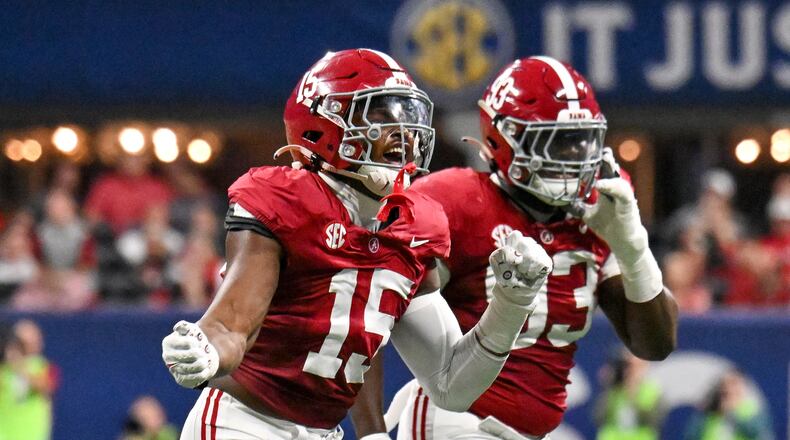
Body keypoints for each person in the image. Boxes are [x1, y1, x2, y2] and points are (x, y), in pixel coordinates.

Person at [161, 49, 553, 440]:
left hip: (325, 431)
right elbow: (234, 323)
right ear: (321, 125)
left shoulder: (416, 224)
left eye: (406, 115)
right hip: (244, 424)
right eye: (380, 116)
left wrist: (511, 304)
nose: (402, 133)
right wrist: (208, 350)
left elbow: (452, 385)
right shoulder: (286, 199)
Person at [352, 56, 678, 440]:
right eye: (556, 142)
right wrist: (370, 432)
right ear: (503, 140)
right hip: (458, 421)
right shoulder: (456, 201)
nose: (574, 160)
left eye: (581, 142)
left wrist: (632, 244)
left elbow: (655, 344)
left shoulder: (599, 205)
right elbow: (366, 309)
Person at [0, 320, 57, 440]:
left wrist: (19, 367)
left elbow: (47, 387)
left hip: (32, 433)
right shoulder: (3, 368)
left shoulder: (43, 366)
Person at [593, 349, 663, 440]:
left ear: (643, 367)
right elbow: (598, 418)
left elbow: (653, 421)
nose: (629, 371)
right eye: (625, 367)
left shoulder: (653, 391)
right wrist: (608, 387)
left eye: (633, 366)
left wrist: (633, 394)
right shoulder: (614, 389)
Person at [683, 369, 773, 440]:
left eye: (733, 383)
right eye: (724, 384)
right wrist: (704, 412)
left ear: (742, 386)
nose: (728, 388)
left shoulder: (753, 409)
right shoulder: (711, 410)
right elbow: (691, 436)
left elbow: (756, 432)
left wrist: (731, 413)